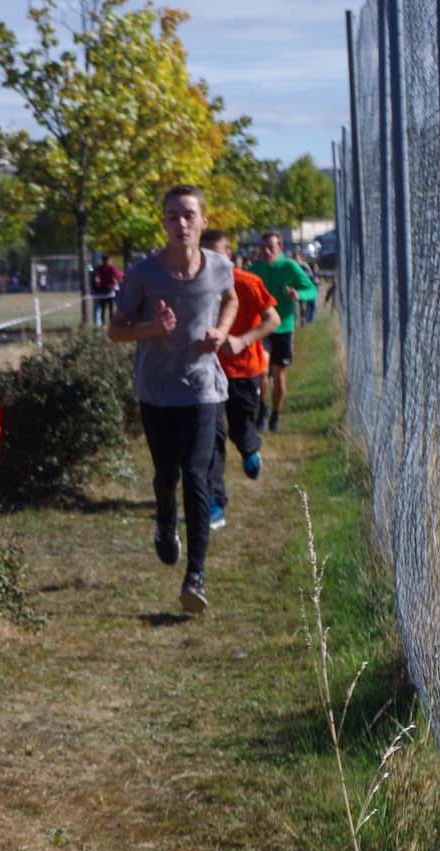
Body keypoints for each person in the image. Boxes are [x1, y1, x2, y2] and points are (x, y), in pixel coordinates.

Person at [107, 185, 237, 613]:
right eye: (172, 216)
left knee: (197, 476)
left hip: (203, 388)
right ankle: (166, 522)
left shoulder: (220, 267)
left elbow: (230, 298)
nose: (180, 223)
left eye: (188, 215)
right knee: (167, 474)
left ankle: (195, 576)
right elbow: (116, 329)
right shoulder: (144, 274)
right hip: (157, 391)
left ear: (203, 221)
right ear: (163, 223)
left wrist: (221, 331)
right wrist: (152, 328)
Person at [202, 229, 279, 529]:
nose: (211, 260)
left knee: (241, 427)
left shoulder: (247, 282)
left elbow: (272, 319)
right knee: (211, 437)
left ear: (229, 255)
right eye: (205, 254)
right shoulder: (195, 286)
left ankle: (249, 449)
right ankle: (215, 501)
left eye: (217, 254)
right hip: (208, 372)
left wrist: (244, 340)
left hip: (245, 370)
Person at [247, 230, 316, 432]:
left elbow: (311, 289)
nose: (266, 251)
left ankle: (275, 416)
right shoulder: (255, 269)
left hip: (284, 327)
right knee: (261, 371)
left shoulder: (290, 266)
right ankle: (263, 409)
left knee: (279, 376)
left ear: (280, 248)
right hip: (261, 328)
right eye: (263, 247)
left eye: (271, 247)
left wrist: (298, 294)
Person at [91, 253, 122, 327]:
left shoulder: (100, 268)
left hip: (102, 291)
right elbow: (118, 275)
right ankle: (110, 324)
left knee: (103, 308)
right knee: (110, 308)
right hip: (109, 290)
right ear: (109, 260)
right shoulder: (111, 267)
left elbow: (96, 278)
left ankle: (103, 324)